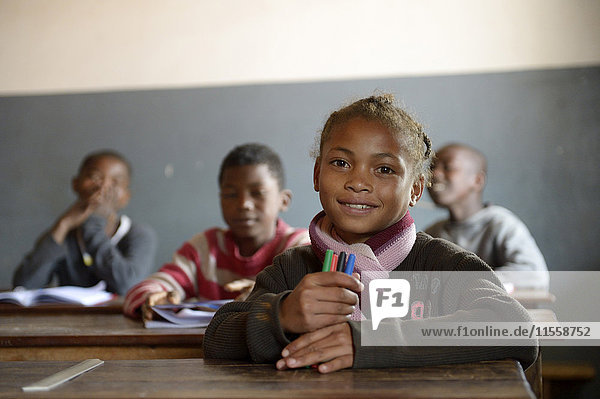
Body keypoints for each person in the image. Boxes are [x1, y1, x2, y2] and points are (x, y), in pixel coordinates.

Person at [203, 94, 537, 374]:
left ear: (416, 190)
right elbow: (218, 336)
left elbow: (513, 326)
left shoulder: (442, 266)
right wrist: (283, 315)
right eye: (341, 164)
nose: (358, 182)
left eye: (385, 169)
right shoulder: (294, 268)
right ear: (317, 174)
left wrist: (371, 339)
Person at [123, 143, 310, 320]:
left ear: (283, 200)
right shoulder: (205, 248)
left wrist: (263, 294)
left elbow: (312, 298)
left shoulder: (300, 247)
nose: (243, 204)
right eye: (230, 195)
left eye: (257, 193)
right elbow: (145, 288)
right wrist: (156, 298)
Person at [13, 150, 157, 296]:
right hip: (67, 317)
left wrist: (94, 221)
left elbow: (127, 286)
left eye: (115, 182)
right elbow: (24, 285)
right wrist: (63, 224)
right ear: (76, 184)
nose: (103, 187)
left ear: (125, 197)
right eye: (95, 177)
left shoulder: (139, 234)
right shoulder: (65, 233)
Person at [425, 143, 549, 291]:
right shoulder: (433, 233)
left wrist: (470, 282)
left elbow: (535, 275)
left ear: (477, 180)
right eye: (432, 167)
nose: (434, 174)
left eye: (448, 167)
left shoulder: (501, 224)